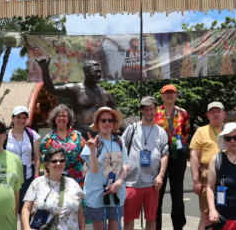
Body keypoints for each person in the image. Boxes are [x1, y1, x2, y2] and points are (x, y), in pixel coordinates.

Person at [37, 58, 122, 139]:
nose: (99, 75)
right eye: (96, 72)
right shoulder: (75, 89)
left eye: (100, 72)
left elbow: (116, 118)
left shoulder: (106, 95)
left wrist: (131, 131)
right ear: (86, 72)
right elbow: (52, 90)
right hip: (79, 134)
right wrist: (45, 69)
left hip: (100, 134)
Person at [122, 96, 169, 230]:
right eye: (146, 109)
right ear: (141, 110)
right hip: (132, 182)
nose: (149, 112)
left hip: (153, 183)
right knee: (128, 218)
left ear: (156, 110)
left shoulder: (161, 132)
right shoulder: (132, 128)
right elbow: (121, 148)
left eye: (151, 109)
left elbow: (165, 154)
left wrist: (161, 175)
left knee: (151, 218)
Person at [81, 107, 129, 230]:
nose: (107, 123)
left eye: (110, 120)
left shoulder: (119, 141)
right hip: (97, 194)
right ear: (98, 123)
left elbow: (126, 165)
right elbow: (94, 170)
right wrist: (92, 151)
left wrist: (118, 182)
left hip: (116, 192)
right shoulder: (92, 142)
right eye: (103, 120)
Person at [154, 84, 190, 230]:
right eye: (166, 93)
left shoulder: (183, 112)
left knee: (177, 194)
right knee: (158, 193)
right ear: (161, 96)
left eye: (172, 93)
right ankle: (156, 226)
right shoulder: (155, 112)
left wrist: (177, 145)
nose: (169, 95)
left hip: (177, 155)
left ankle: (178, 227)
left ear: (176, 95)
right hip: (159, 156)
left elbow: (186, 133)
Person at [22, 147, 85, 230]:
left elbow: (79, 212)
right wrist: (27, 228)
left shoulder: (72, 183)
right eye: (54, 161)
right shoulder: (37, 182)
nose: (58, 163)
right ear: (47, 164)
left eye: (61, 160)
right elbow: (26, 208)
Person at [189, 102, 226, 230]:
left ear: (224, 114)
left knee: (227, 212)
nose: (216, 114)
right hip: (207, 173)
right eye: (212, 112)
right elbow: (194, 156)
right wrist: (195, 180)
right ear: (208, 115)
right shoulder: (201, 131)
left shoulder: (231, 131)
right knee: (206, 214)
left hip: (228, 173)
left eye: (218, 111)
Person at [5, 106, 41, 218]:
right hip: (9, 176)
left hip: (28, 176)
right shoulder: (5, 135)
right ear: (12, 118)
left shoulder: (31, 134)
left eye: (24, 117)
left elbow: (37, 156)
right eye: (18, 117)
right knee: (10, 208)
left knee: (26, 208)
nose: (21, 120)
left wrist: (36, 175)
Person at [40, 104, 86, 188]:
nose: (62, 118)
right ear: (54, 118)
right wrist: (47, 180)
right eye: (59, 116)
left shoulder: (77, 135)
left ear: (69, 119)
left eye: (64, 116)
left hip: (77, 177)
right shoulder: (48, 138)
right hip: (56, 176)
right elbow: (45, 161)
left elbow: (85, 156)